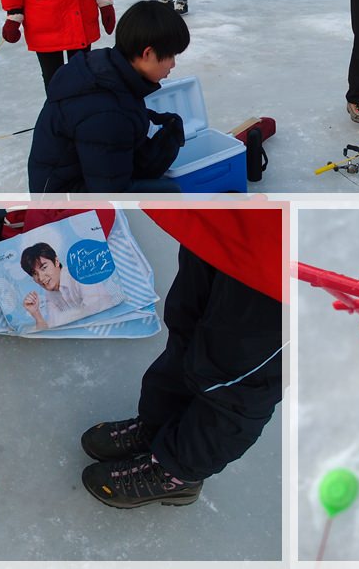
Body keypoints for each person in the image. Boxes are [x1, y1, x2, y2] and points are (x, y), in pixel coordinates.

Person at [80, 208, 282, 509]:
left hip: (290, 267)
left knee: (235, 377)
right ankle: (158, 424)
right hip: (233, 219)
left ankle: (178, 472)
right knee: (188, 326)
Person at [27, 0, 189, 193]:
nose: (173, 65)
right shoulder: (106, 111)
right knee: (170, 193)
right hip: (62, 206)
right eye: (171, 56)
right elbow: (109, 192)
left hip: (82, 181)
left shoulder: (108, 71)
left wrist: (163, 142)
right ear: (148, 53)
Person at [19, 242, 122, 330]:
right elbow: (52, 330)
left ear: (56, 261)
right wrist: (36, 314)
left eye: (44, 268)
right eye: (34, 274)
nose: (41, 278)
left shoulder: (80, 276)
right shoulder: (50, 293)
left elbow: (96, 314)